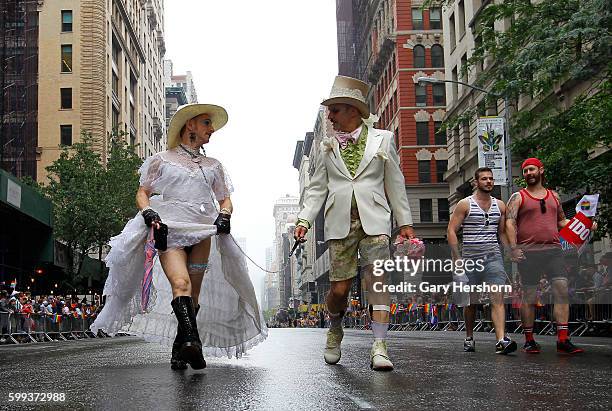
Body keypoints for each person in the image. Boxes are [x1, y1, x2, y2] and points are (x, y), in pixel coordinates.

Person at [91, 103, 267, 370]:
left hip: (201, 235)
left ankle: (179, 350)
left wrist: (225, 215)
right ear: (191, 125)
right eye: (207, 123)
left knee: (193, 296)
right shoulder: (161, 160)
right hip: (169, 233)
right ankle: (193, 344)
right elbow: (143, 193)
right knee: (181, 284)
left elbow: (226, 200)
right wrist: (149, 213)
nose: (212, 130)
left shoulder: (214, 166)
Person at [294, 75, 415, 371]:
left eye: (334, 110)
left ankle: (380, 346)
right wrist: (304, 221)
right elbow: (317, 189)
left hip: (375, 221)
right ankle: (335, 327)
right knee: (339, 290)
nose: (330, 116)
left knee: (377, 281)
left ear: (351, 109)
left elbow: (395, 183)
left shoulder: (383, 139)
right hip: (339, 224)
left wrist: (405, 223)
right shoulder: (325, 146)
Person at [506, 157, 583, 354]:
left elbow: (562, 222)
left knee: (561, 289)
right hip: (529, 253)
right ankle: (529, 339)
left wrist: (585, 223)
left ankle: (563, 339)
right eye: (525, 171)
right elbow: (510, 223)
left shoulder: (554, 196)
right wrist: (513, 248)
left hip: (553, 251)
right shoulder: (518, 197)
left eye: (531, 169)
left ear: (541, 170)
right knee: (530, 296)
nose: (528, 174)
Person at [447, 167, 517, 354]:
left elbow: (501, 233)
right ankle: (469, 336)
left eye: (491, 179)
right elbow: (451, 230)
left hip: (493, 257)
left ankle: (501, 339)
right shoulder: (464, 204)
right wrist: (457, 258)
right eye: (484, 179)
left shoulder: (500, 205)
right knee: (471, 302)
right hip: (471, 259)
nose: (488, 182)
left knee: (497, 298)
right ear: (476, 182)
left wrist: (510, 251)